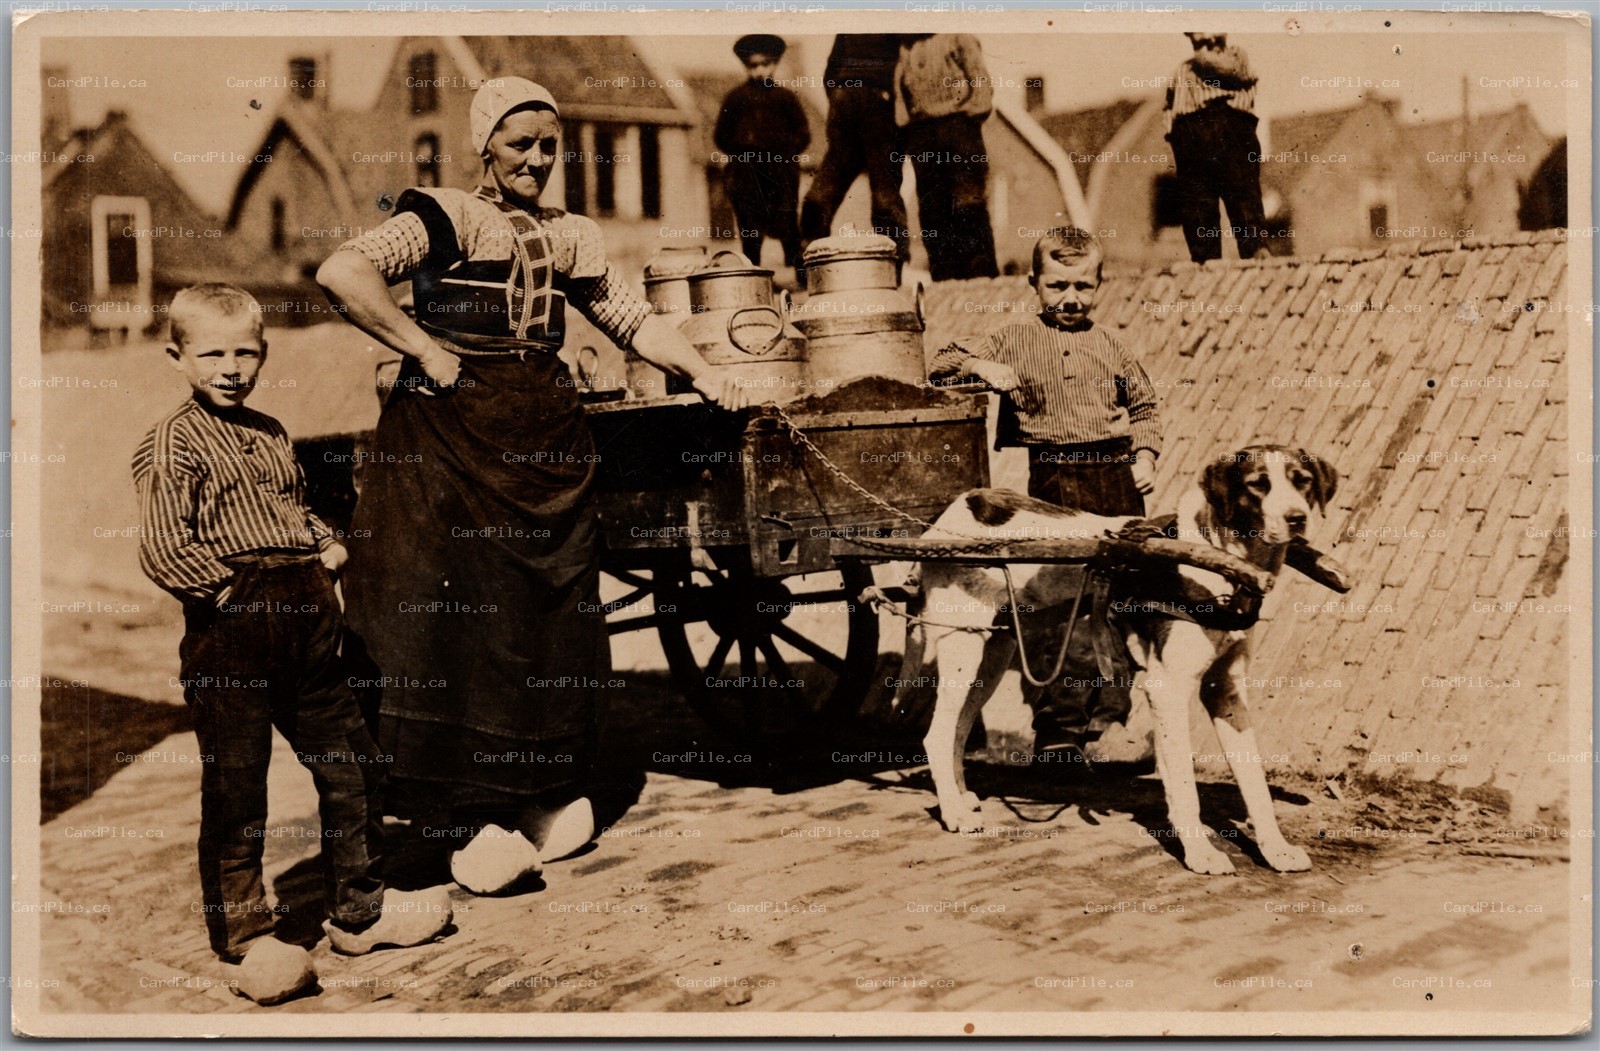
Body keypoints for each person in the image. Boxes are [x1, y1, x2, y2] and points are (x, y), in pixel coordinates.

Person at [316, 78, 747, 898]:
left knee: (549, 622)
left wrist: (703, 370)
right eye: (521, 143)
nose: (538, 158)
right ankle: (463, 815)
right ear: (485, 145)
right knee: (461, 626)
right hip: (450, 447)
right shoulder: (445, 215)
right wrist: (424, 349)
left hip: (545, 443)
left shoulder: (572, 235)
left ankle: (538, 790)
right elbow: (343, 271)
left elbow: (631, 319)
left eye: (550, 144)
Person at [133, 284, 452, 1006]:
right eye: (212, 353)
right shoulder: (172, 441)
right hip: (233, 632)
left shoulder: (272, 431)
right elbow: (162, 545)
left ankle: (360, 913)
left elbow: (292, 506)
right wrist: (230, 594)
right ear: (177, 357)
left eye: (245, 353)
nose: (230, 368)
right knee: (237, 785)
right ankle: (245, 936)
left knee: (355, 764)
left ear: (264, 354)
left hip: (308, 621)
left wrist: (324, 545)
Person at [929, 229, 1163, 764]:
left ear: (1100, 284)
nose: (1071, 298)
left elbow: (1146, 407)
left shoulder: (1112, 346)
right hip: (1056, 480)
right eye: (1058, 286)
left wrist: (1146, 456)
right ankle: (1059, 731)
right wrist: (979, 368)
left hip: (1116, 480)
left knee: (1118, 602)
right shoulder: (1012, 338)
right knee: (1061, 606)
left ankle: (1110, 725)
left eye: (1084, 286)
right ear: (1034, 283)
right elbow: (941, 362)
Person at [894, 33, 999, 281]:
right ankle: (945, 282)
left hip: (959, 129)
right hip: (923, 134)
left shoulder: (958, 37)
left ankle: (982, 280)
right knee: (933, 212)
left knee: (968, 206)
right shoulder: (906, 48)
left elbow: (980, 81)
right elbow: (900, 97)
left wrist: (966, 122)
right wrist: (911, 129)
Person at [799, 35, 911, 261]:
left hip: (847, 98)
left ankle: (810, 261)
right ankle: (892, 264)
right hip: (874, 100)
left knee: (824, 192)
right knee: (885, 194)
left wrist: (839, 99)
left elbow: (831, 71)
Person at [1162, 32, 1270, 262]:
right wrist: (1175, 134)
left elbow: (1228, 70)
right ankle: (1205, 263)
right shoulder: (1182, 70)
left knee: (1243, 196)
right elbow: (1169, 106)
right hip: (1190, 133)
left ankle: (1255, 253)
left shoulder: (1235, 55)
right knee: (1197, 205)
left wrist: (1202, 50)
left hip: (1230, 126)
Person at [714, 34, 809, 269]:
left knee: (788, 224)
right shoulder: (736, 99)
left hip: (780, 173)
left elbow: (803, 134)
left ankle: (799, 278)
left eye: (765, 64)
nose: (758, 71)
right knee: (750, 230)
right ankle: (752, 275)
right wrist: (743, 150)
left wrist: (783, 152)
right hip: (747, 174)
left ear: (775, 64)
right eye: (752, 65)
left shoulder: (786, 98)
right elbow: (721, 136)